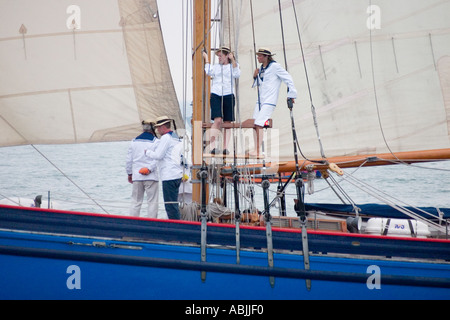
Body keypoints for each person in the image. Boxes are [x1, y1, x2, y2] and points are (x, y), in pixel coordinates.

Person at [250, 48, 297, 156]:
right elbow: (261, 84)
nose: (258, 57)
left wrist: (291, 94)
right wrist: (254, 76)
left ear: (266, 57)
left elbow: (288, 78)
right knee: (254, 124)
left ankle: (258, 150)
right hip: (261, 100)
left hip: (270, 100)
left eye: (260, 56)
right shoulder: (262, 68)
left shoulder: (275, 67)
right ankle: (256, 149)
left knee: (259, 123)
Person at [203, 46, 241, 155]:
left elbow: (237, 74)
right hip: (216, 94)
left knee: (228, 122)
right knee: (218, 120)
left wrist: (233, 59)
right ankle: (212, 146)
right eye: (218, 56)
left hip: (229, 94)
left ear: (227, 56)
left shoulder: (232, 66)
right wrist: (206, 59)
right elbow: (208, 71)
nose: (219, 58)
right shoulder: (215, 67)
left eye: (220, 56)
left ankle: (225, 147)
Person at [145, 116, 183, 220]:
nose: (157, 130)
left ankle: (175, 227)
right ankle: (176, 224)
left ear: (162, 127)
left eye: (158, 127)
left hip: (169, 175)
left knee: (170, 205)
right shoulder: (176, 137)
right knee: (174, 204)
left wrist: (147, 152)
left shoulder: (166, 138)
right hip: (177, 174)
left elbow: (158, 155)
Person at [126, 119, 159, 218]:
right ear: (153, 128)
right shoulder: (156, 142)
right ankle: (152, 223)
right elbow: (157, 159)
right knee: (152, 202)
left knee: (136, 201)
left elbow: (129, 160)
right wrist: (149, 169)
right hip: (151, 176)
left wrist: (129, 173)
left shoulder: (134, 141)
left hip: (137, 176)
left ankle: (133, 222)